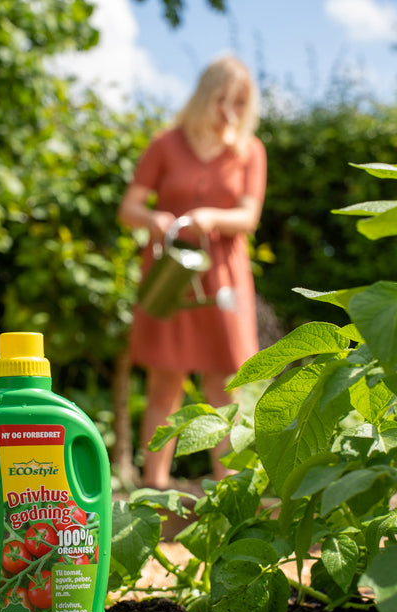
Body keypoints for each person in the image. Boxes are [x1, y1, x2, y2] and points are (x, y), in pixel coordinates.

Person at [117, 54, 267, 490]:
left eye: (240, 103)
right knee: (165, 379)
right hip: (171, 272)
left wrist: (211, 217)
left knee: (226, 383)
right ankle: (154, 492)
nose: (230, 112)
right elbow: (128, 208)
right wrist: (154, 220)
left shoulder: (249, 151)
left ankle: (230, 492)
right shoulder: (165, 144)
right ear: (205, 96)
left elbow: (249, 216)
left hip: (222, 275)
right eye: (223, 100)